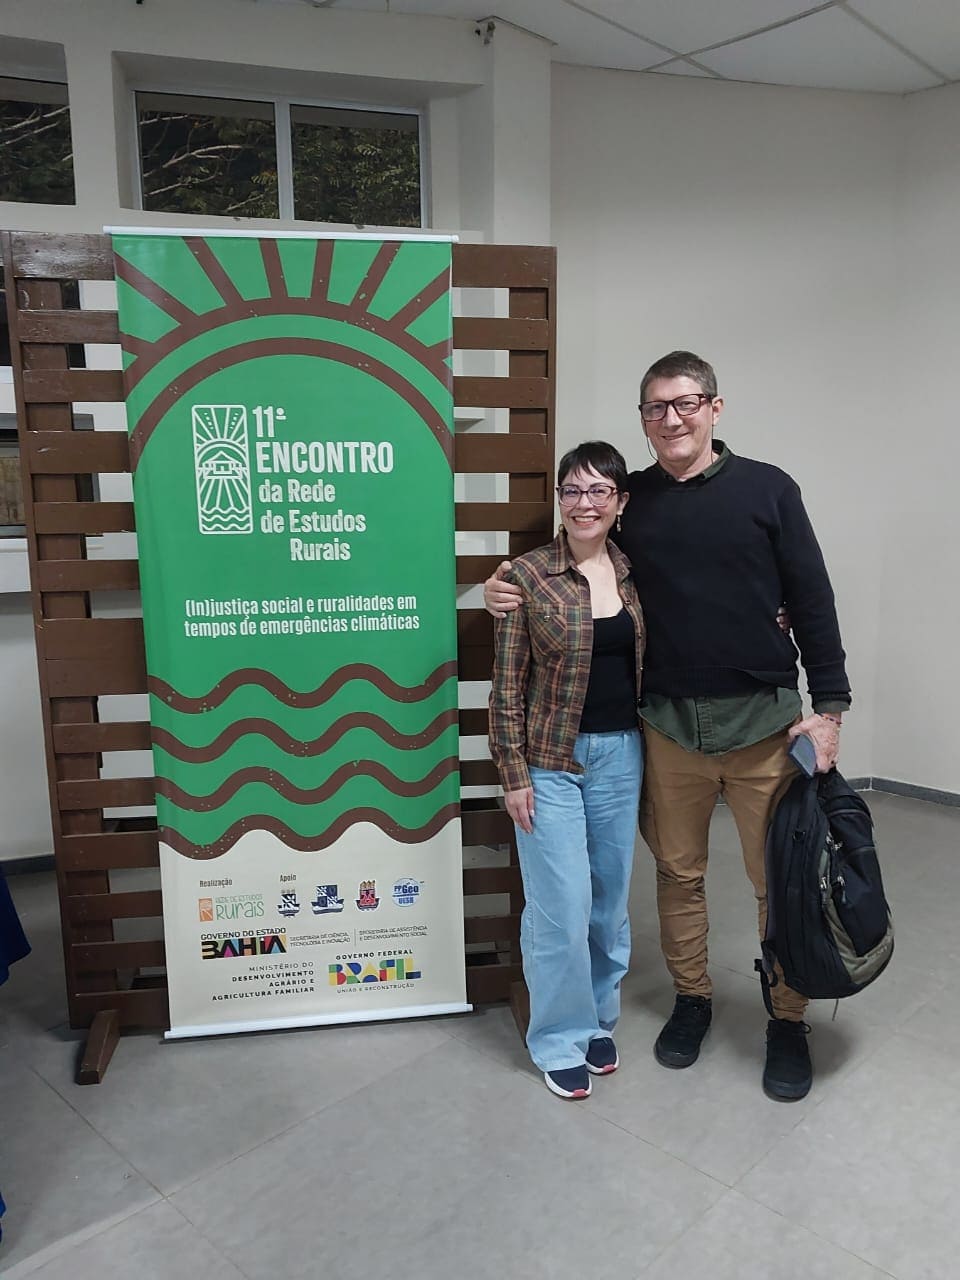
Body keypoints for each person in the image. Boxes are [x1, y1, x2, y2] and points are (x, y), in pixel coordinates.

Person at [485, 352, 850, 1102]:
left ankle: (787, 1019)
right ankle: (692, 1000)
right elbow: (569, 564)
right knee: (677, 877)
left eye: (686, 403)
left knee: (777, 883)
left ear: (715, 407)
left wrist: (831, 708)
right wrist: (499, 585)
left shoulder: (769, 490)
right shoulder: (634, 502)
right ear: (644, 420)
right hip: (667, 731)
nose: (671, 418)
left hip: (763, 725)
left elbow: (811, 599)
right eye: (655, 407)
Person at [489, 441, 645, 1100]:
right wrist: (512, 772)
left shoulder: (634, 572)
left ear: (619, 501)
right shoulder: (526, 577)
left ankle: (599, 1018)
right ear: (559, 500)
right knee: (562, 905)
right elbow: (506, 686)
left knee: (608, 903)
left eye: (599, 491)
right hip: (550, 762)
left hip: (622, 755)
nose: (585, 503)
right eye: (573, 491)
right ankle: (557, 1036)